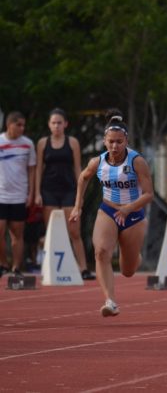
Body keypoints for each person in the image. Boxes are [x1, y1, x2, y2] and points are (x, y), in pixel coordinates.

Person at [69, 109, 154, 317]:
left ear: (126, 141)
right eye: (111, 142)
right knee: (101, 252)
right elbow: (83, 178)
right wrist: (78, 206)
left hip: (133, 214)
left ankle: (134, 255)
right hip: (108, 210)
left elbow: (148, 194)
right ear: (104, 142)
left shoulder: (137, 161)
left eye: (119, 142)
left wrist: (128, 208)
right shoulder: (97, 162)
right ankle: (110, 301)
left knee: (128, 270)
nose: (114, 146)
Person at [35, 108, 95, 280]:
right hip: (49, 191)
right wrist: (37, 193)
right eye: (53, 123)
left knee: (74, 231)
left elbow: (78, 169)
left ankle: (83, 268)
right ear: (49, 124)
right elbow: (39, 169)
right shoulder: (42, 143)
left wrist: (80, 193)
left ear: (65, 124)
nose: (56, 126)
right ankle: (49, 268)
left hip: (69, 190)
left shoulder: (73, 142)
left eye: (59, 123)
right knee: (51, 232)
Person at [0, 111, 36, 277]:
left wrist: (31, 193)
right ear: (9, 125)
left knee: (17, 234)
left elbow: (32, 170)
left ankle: (16, 267)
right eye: (18, 125)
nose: (22, 128)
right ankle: (3, 264)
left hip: (19, 196)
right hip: (1, 195)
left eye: (23, 125)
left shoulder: (28, 144)